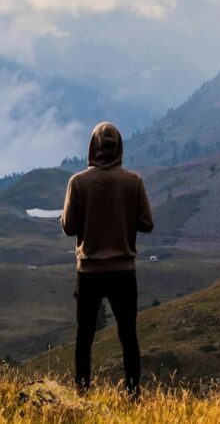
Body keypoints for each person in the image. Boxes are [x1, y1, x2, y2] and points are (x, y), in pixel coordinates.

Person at [61, 121, 154, 398]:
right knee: (128, 335)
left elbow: (69, 227)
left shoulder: (77, 182)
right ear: (119, 148)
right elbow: (147, 223)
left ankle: (82, 393)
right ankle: (133, 394)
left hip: (89, 271)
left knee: (84, 336)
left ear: (93, 147)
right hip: (123, 271)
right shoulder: (133, 182)